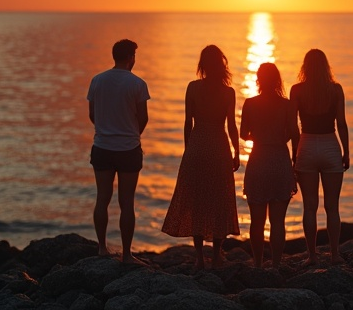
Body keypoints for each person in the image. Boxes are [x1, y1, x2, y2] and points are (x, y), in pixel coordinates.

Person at [162, 45, 240, 269]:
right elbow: (232, 126)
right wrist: (236, 152)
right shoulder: (228, 92)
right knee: (219, 200)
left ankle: (198, 257)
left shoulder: (193, 88)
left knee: (197, 201)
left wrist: (188, 149)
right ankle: (216, 255)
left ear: (202, 65)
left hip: (197, 144)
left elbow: (188, 122)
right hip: (218, 146)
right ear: (222, 65)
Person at [87, 39, 150, 264]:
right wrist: (134, 134)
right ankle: (126, 255)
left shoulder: (97, 80)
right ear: (131, 57)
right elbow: (143, 117)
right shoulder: (137, 84)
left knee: (102, 199)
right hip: (128, 149)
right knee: (127, 203)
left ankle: (102, 248)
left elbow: (92, 114)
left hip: (102, 146)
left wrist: (106, 129)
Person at [290, 49, 350, 265]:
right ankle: (335, 255)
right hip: (330, 145)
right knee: (332, 207)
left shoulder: (297, 90)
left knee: (309, 206)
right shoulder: (335, 89)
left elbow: (292, 126)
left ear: (305, 66)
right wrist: (346, 151)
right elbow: (341, 123)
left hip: (306, 145)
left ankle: (312, 256)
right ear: (326, 66)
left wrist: (295, 152)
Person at [240, 63, 297, 268]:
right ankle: (276, 264)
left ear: (258, 79)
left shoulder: (250, 103)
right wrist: (295, 161)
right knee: (278, 221)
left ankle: (257, 263)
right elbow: (293, 133)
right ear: (277, 80)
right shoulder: (287, 105)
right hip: (280, 159)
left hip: (259, 160)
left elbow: (243, 134)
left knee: (257, 221)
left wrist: (258, 134)